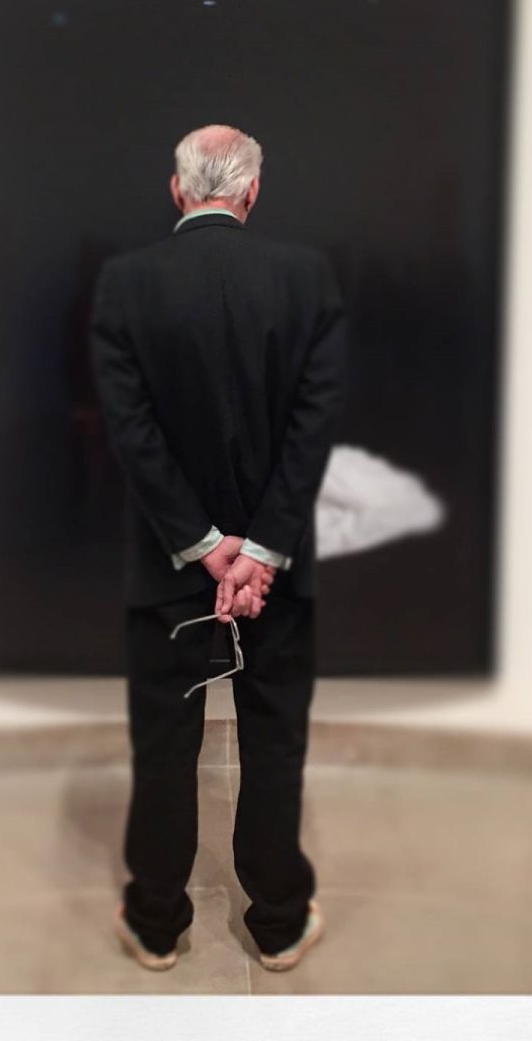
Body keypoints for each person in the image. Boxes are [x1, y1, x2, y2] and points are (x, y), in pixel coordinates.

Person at [89, 123, 348, 973]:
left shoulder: (125, 283)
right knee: (275, 740)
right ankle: (276, 922)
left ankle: (156, 923)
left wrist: (204, 547)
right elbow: (312, 429)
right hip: (277, 572)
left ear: (177, 189)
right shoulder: (306, 278)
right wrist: (259, 553)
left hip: (166, 564)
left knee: (164, 745)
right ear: (251, 191)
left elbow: (130, 434)